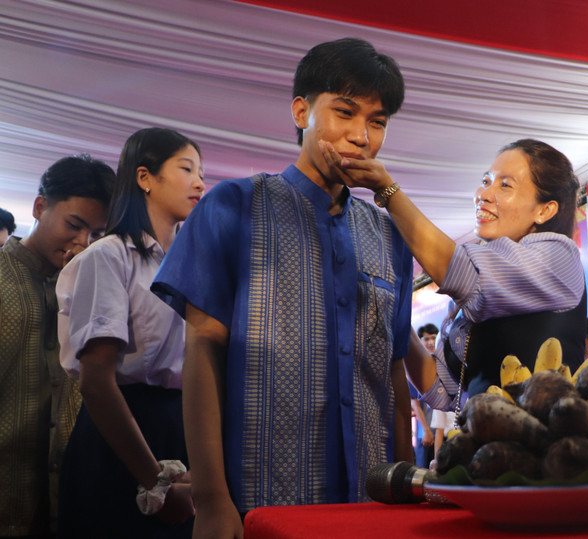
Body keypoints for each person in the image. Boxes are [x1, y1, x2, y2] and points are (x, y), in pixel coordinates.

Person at [151, 38, 413, 535]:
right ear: (301, 111)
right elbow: (202, 355)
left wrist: (405, 495)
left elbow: (395, 381)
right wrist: (210, 500)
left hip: (372, 503)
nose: (361, 136)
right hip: (264, 503)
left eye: (376, 122)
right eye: (344, 112)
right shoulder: (234, 205)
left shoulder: (389, 234)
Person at [331, 138, 585, 409]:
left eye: (505, 185)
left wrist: (388, 190)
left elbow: (463, 273)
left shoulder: (558, 256)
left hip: (541, 443)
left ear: (545, 210)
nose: (484, 195)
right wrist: (395, 310)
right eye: (486, 181)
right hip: (486, 443)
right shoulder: (485, 276)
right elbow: (441, 389)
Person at [56, 128, 203, 537]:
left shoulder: (186, 264)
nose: (200, 182)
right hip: (120, 433)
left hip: (179, 426)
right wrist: (153, 480)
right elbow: (97, 383)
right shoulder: (110, 256)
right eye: (186, 168)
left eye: (201, 172)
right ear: (145, 178)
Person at [0, 154, 114, 537]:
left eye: (96, 234)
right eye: (74, 225)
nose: (82, 242)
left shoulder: (94, 293)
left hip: (68, 504)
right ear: (39, 207)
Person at [411, 324, 439, 468]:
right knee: (424, 474)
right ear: (420, 341)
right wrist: (426, 430)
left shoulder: (443, 364)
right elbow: (414, 403)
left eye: (433, 338)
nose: (430, 342)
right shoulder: (416, 367)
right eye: (426, 338)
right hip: (424, 434)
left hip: (443, 432)